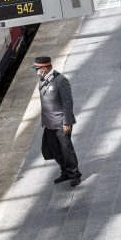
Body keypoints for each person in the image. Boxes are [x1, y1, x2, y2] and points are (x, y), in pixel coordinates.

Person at [33, 56, 81, 186]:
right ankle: (65, 171)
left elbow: (67, 102)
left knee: (66, 149)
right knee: (55, 150)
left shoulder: (60, 80)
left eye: (36, 69)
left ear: (44, 68)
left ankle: (75, 174)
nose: (35, 71)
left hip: (61, 123)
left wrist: (66, 122)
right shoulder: (42, 80)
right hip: (49, 123)